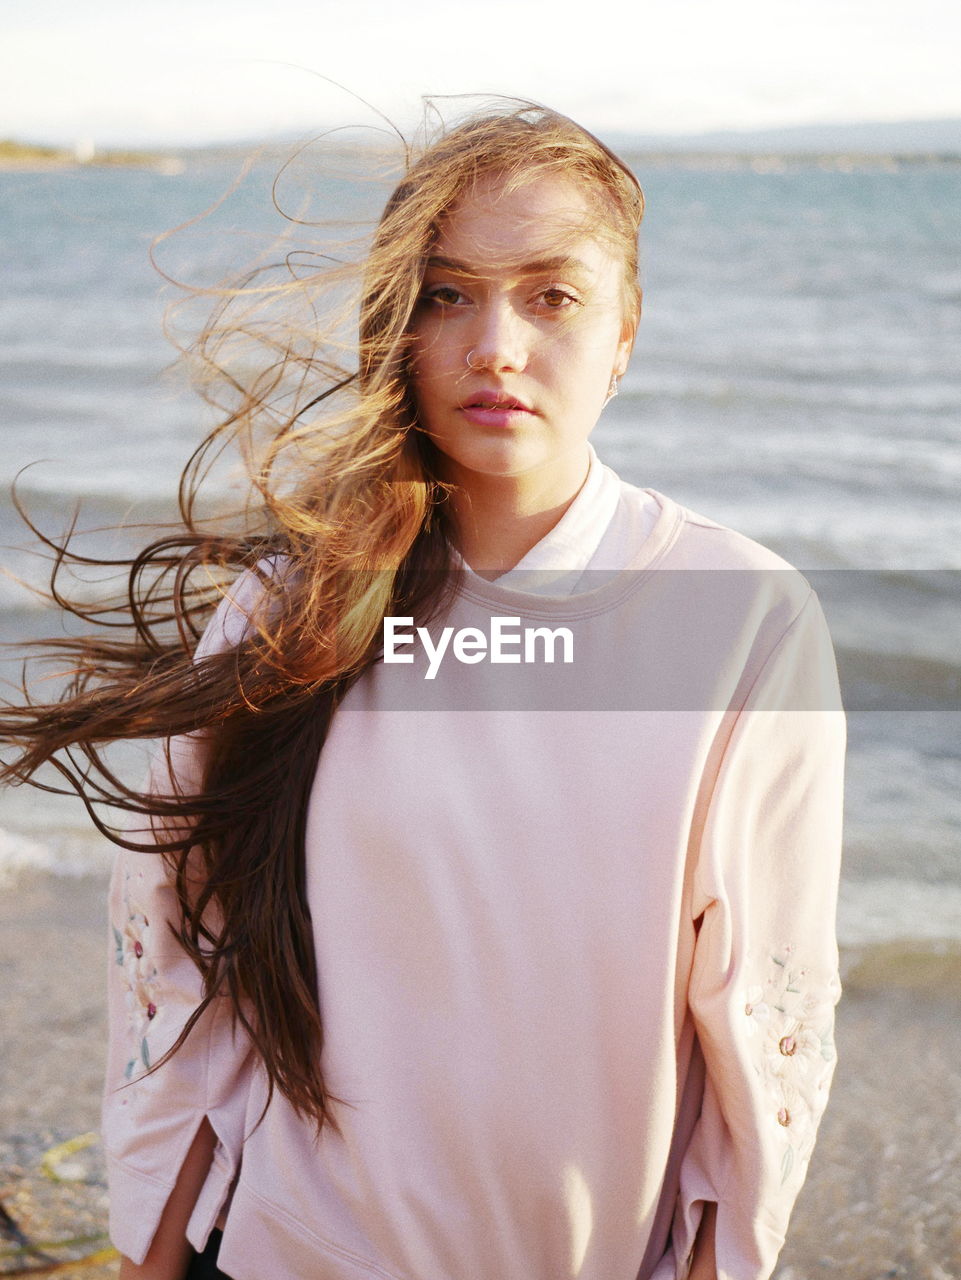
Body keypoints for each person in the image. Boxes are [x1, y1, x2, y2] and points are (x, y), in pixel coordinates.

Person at [1, 102, 845, 1280]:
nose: (495, 343)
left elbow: (764, 1034)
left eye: (552, 295)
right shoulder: (288, 603)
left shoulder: (742, 619)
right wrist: (149, 1258)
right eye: (447, 294)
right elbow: (176, 959)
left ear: (626, 335)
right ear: (398, 328)